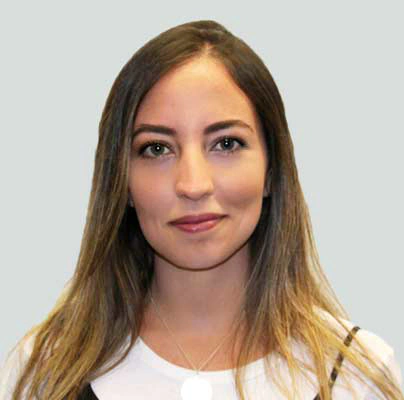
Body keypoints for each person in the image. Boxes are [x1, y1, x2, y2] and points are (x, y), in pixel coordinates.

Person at [0, 19, 402, 400]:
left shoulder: (356, 375)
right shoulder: (44, 370)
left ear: (271, 169)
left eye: (226, 144)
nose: (193, 185)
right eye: (157, 149)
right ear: (121, 181)